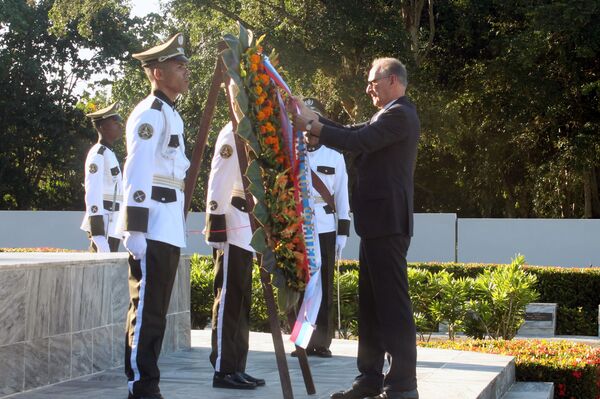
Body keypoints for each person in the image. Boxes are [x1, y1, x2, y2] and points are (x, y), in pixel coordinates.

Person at [291, 58, 420, 399]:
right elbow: (353, 132)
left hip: (389, 223)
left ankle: (403, 384)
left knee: (392, 305)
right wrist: (314, 120)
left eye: (372, 82)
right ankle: (370, 378)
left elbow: (359, 140)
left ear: (392, 80)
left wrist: (314, 125)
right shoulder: (386, 114)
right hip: (377, 223)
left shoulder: (401, 114)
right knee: (372, 305)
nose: (368, 89)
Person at [116, 33, 191, 399]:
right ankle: (141, 385)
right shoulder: (150, 114)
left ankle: (148, 382)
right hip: (153, 222)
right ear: (158, 73)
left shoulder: (172, 115)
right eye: (179, 66)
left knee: (156, 310)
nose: (186, 71)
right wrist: (135, 227)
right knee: (147, 309)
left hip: (168, 221)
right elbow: (138, 169)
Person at [204, 122, 266, 390]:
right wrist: (216, 225)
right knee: (229, 297)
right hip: (230, 221)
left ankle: (237, 365)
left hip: (245, 223)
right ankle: (223, 368)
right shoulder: (233, 131)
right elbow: (218, 177)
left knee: (242, 299)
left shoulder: (252, 128)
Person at [291, 97, 350, 358]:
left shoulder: (334, 157)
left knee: (323, 285)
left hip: (325, 227)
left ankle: (322, 342)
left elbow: (342, 197)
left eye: (313, 123)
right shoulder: (292, 154)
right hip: (298, 227)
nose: (309, 130)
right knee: (299, 285)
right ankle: (301, 341)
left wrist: (343, 233)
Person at [80, 102, 124, 252]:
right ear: (101, 127)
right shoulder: (98, 154)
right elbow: (92, 191)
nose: (120, 126)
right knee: (98, 271)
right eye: (114, 122)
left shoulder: (108, 153)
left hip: (113, 221)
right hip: (103, 222)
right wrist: (97, 232)